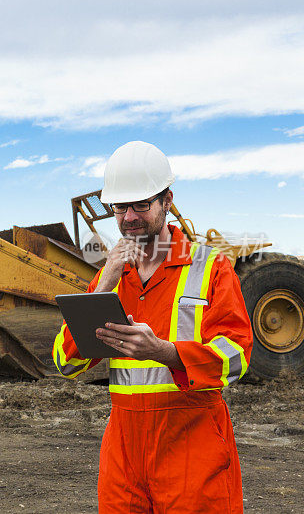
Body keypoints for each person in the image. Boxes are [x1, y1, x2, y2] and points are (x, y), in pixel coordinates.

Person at [53, 141, 252, 513]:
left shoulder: (211, 269)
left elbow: (236, 357)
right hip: (124, 455)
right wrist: (105, 281)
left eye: (141, 204)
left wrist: (164, 352)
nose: (129, 217)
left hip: (192, 447)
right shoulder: (110, 277)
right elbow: (66, 363)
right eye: (120, 207)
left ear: (167, 201)